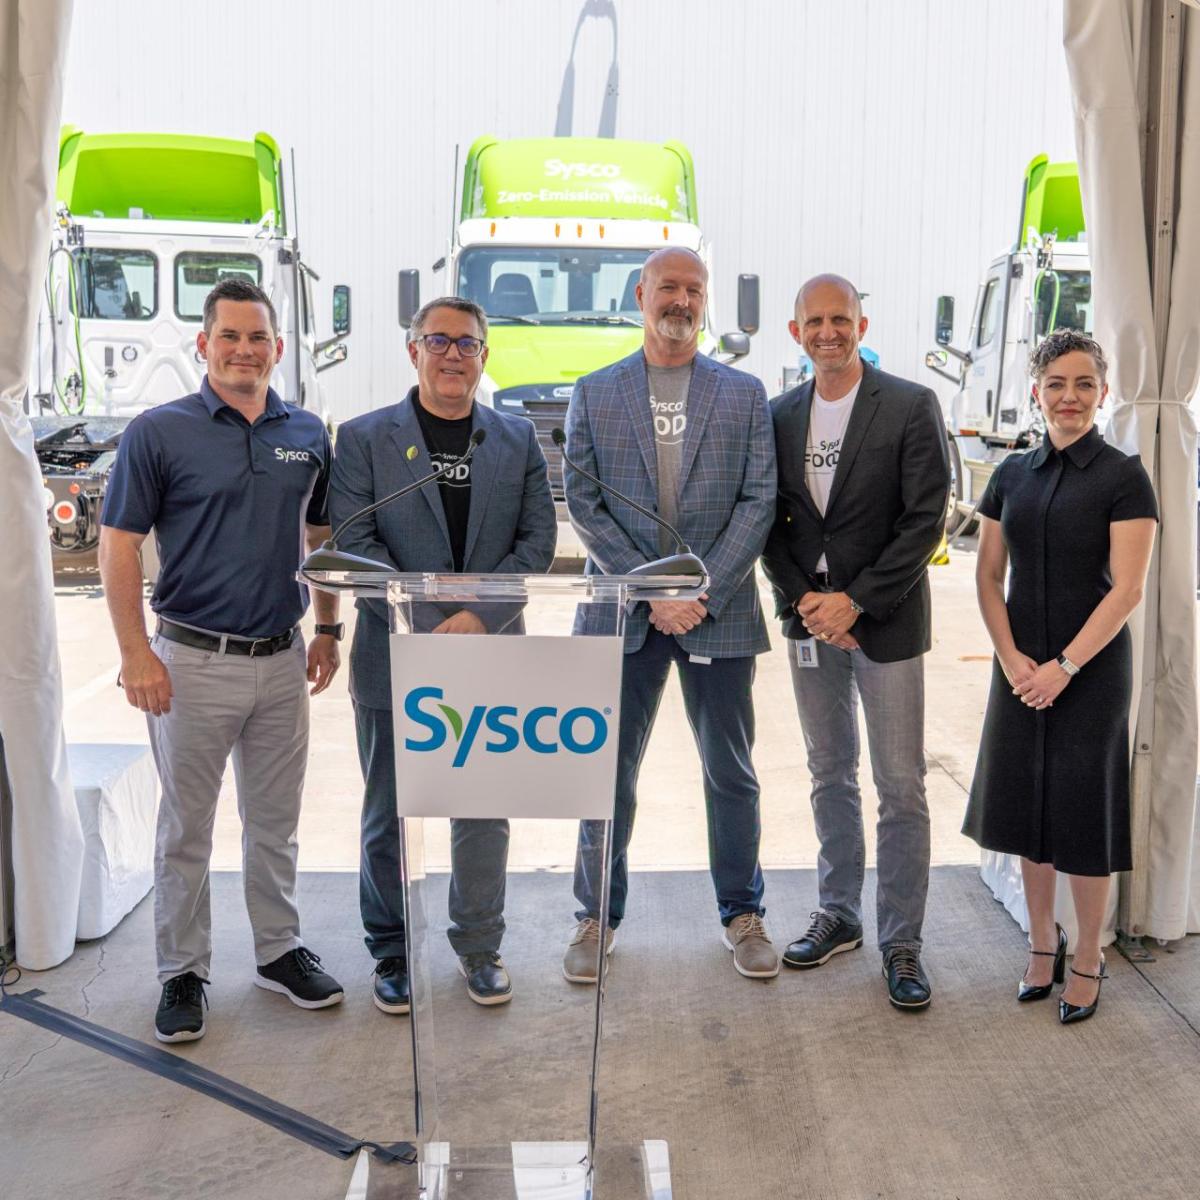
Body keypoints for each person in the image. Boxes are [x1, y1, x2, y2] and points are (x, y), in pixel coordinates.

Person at [99, 278, 344, 1044]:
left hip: (281, 660)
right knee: (186, 830)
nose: (245, 350)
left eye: (259, 337)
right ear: (203, 345)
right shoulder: (159, 432)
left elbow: (322, 539)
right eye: (230, 336)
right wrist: (137, 653)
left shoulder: (306, 431)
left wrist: (330, 629)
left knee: (275, 823)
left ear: (277, 346)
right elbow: (118, 545)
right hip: (191, 660)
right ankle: (183, 971)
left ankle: (277, 952)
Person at [330, 297, 556, 1013]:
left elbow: (537, 542)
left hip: (489, 653)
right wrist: (431, 616)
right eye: (439, 341)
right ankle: (392, 953)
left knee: (483, 809)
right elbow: (355, 547)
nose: (453, 354)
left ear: (485, 356)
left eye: (467, 343)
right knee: (390, 812)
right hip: (395, 653)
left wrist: (477, 616)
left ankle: (480, 946)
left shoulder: (514, 439)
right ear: (413, 351)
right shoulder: (365, 439)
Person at [563, 246, 779, 983]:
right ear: (641, 293)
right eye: (668, 287)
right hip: (626, 614)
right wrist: (652, 593)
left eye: (694, 288)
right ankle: (596, 916)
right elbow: (583, 505)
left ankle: (742, 912)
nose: (680, 300)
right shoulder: (593, 392)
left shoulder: (743, 395)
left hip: (717, 613)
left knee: (731, 771)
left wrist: (700, 591)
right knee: (606, 772)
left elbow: (759, 501)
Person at [761, 274, 949, 1011]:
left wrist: (856, 602)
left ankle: (902, 939)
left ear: (862, 325)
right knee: (827, 771)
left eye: (841, 319)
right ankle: (839, 913)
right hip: (810, 622)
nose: (828, 332)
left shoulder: (908, 405)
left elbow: (925, 518)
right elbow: (768, 518)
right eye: (815, 320)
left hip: (887, 622)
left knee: (900, 783)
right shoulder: (778, 415)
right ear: (795, 331)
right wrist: (803, 599)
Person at [962, 329, 1157, 1024]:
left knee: (1083, 814)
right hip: (1019, 668)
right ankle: (1041, 945)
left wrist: (1065, 667)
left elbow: (1127, 590)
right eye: (1056, 384)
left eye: (1082, 384)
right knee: (1026, 811)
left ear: (1102, 393)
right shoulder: (1011, 474)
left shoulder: (1123, 476)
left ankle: (1087, 958)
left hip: (1091, 671)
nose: (1068, 397)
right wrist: (1014, 660)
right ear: (1036, 392)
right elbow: (987, 576)